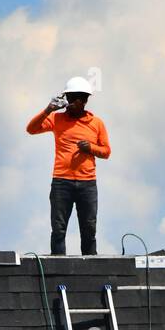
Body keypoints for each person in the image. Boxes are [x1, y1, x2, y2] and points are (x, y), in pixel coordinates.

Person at [26, 76, 111, 255]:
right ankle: (59, 269)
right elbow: (31, 129)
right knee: (58, 230)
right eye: (68, 98)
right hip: (61, 183)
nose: (70, 102)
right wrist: (48, 109)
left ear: (84, 100)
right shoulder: (57, 119)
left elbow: (106, 152)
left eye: (74, 99)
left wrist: (90, 148)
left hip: (87, 184)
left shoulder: (97, 123)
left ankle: (90, 267)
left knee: (89, 229)